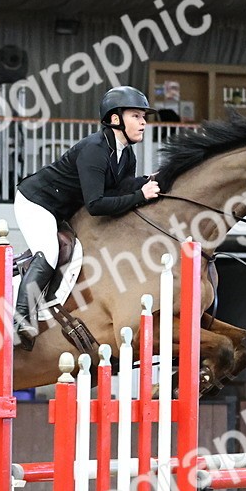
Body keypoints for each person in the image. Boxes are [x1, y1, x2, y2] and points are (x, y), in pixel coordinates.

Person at [12, 86, 161, 349]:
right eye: (136, 116)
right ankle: (21, 318)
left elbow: (121, 189)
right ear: (115, 119)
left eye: (144, 117)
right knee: (49, 251)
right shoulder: (95, 149)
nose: (143, 123)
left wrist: (151, 182)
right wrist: (141, 195)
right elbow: (96, 204)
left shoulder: (126, 154)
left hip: (63, 208)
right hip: (37, 202)